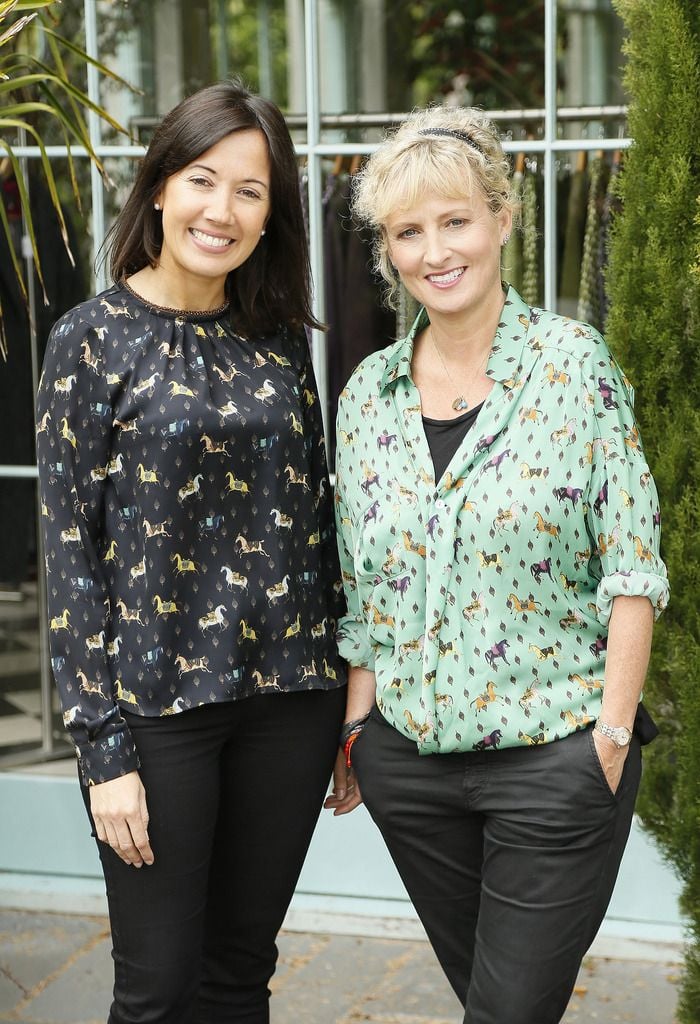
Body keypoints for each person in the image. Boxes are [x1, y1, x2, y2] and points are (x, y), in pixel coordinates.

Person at [325, 106, 668, 1024]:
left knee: (507, 1011)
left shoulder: (574, 367)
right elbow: (364, 590)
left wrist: (611, 734)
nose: (436, 250)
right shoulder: (366, 397)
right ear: (389, 250)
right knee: (496, 1000)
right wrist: (358, 734)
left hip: (555, 758)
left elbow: (632, 566)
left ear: (502, 219)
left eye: (455, 220)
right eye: (408, 231)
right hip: (411, 769)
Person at [36, 79, 346, 1024]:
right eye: (204, 179)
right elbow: (69, 555)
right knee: (159, 988)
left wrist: (349, 692)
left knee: (239, 975)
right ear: (162, 186)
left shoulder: (280, 340)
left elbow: (315, 521)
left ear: (269, 215)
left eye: (250, 191)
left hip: (290, 704)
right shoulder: (89, 343)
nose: (223, 210)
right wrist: (102, 750)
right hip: (157, 713)